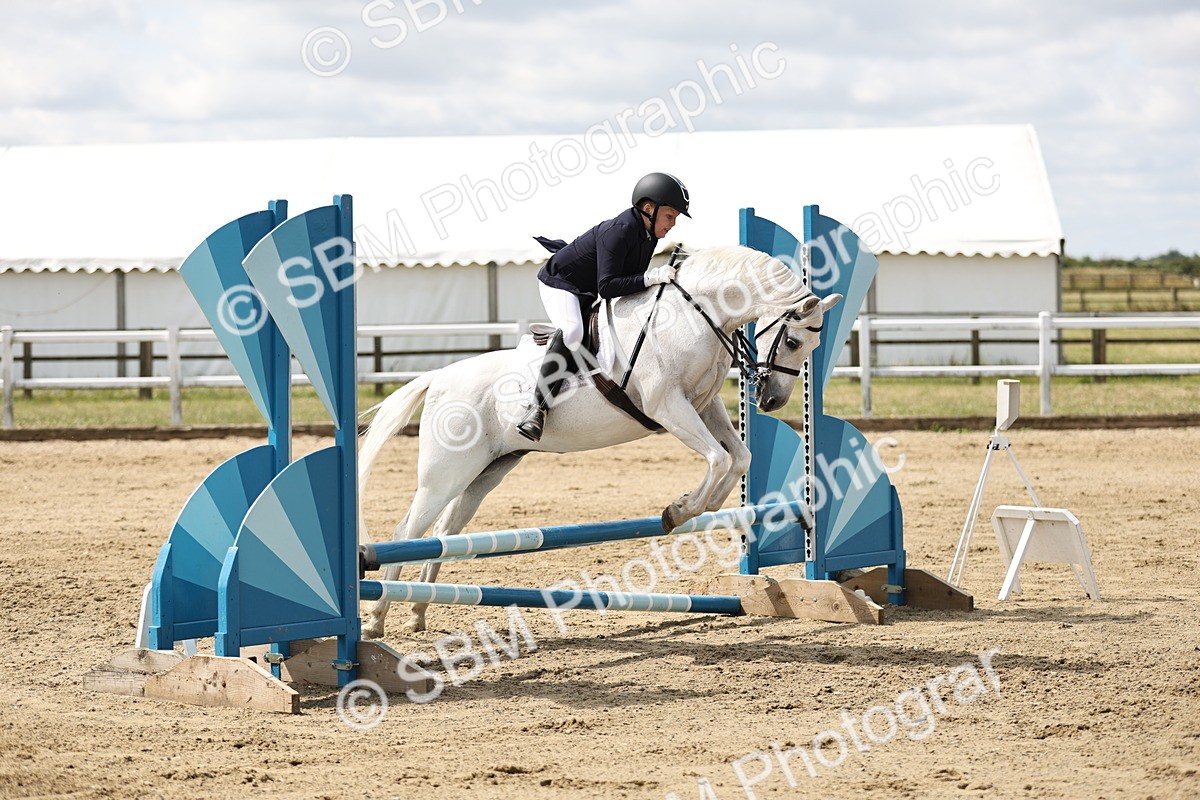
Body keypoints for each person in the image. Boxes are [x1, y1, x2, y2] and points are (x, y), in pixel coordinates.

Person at [515, 172, 691, 441]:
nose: (673, 224)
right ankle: (536, 409)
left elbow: (628, 286)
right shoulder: (619, 231)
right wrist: (651, 277)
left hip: (588, 291)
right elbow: (609, 286)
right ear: (649, 209)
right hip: (561, 283)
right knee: (574, 332)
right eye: (670, 216)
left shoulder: (648, 237)